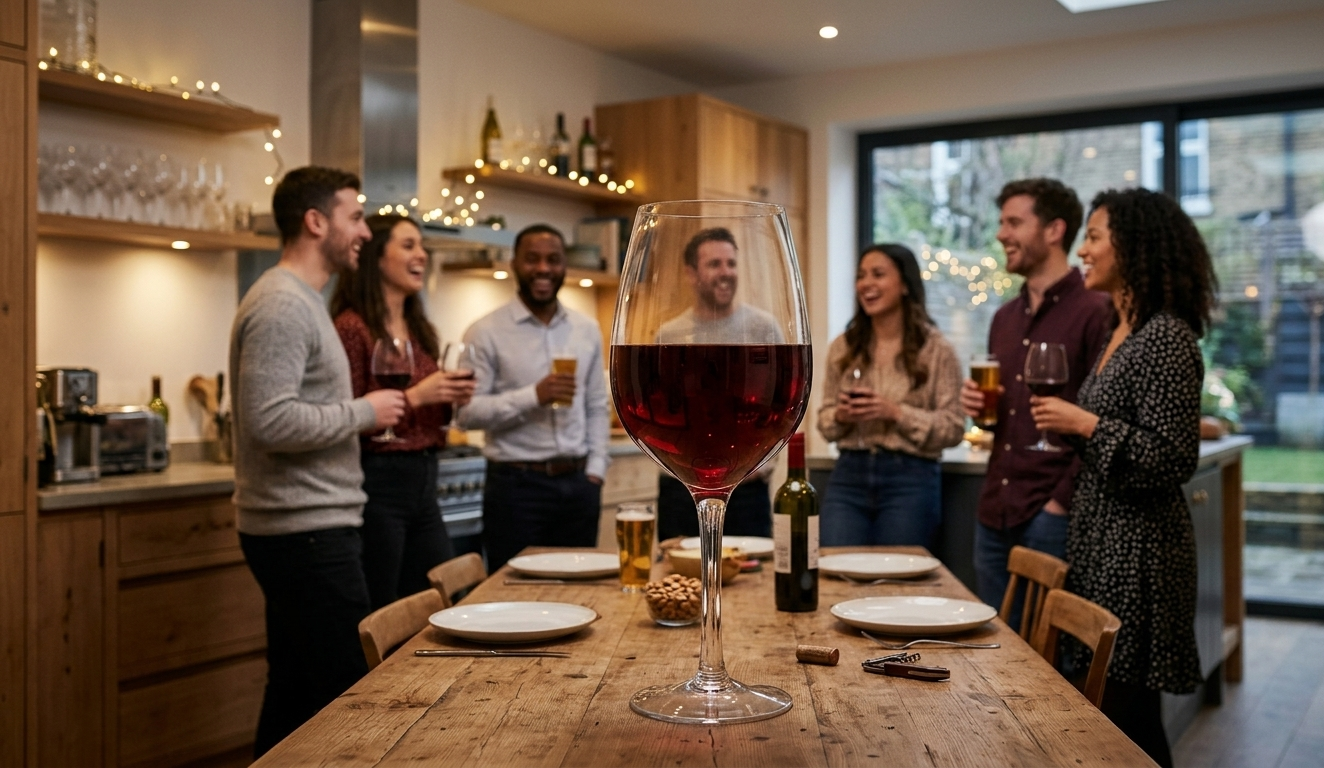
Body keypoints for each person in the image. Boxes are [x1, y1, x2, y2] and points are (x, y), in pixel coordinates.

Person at [1030, 188, 1216, 767]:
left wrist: (1085, 424)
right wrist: (1075, 427)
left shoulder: (1165, 336)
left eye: (1095, 236)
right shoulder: (1122, 329)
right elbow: (1121, 436)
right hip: (1104, 543)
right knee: (1108, 713)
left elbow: (1170, 458)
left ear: (1134, 247)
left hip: (1140, 555)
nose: (1083, 249)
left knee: (1128, 720)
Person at [229, 167, 406, 757]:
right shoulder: (282, 305)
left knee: (296, 691)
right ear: (315, 221)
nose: (364, 231)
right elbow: (269, 421)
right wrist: (365, 411)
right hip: (304, 533)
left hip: (308, 526)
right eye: (355, 217)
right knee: (348, 697)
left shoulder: (302, 302)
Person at [959, 179, 1113, 617]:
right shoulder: (1004, 317)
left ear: (1054, 230)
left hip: (1052, 514)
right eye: (1001, 223)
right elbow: (1001, 423)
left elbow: (1101, 418)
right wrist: (981, 410)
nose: (1001, 234)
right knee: (995, 652)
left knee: (1049, 665)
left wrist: (1058, 503)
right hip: (995, 510)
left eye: (1014, 222)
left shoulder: (1096, 309)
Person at [331, 214, 476, 610]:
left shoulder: (416, 327)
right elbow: (346, 415)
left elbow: (424, 403)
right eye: (408, 245)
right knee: (385, 607)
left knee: (441, 599)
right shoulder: (351, 327)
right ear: (378, 256)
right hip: (378, 484)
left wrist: (450, 396)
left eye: (422, 246)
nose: (422, 255)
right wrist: (416, 396)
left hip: (424, 479)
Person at [458, 224, 611, 570]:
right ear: (514, 264)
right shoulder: (485, 332)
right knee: (512, 595)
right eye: (532, 259)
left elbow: (596, 406)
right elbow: (466, 413)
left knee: (581, 589)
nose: (543, 268)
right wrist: (533, 396)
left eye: (553, 260)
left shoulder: (585, 330)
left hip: (578, 485)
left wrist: (596, 469)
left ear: (564, 267)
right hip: (516, 488)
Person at [816, 243, 964, 546]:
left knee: (900, 580)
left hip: (911, 478)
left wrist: (895, 412)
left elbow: (953, 428)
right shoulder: (843, 347)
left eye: (878, 274)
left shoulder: (937, 350)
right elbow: (824, 421)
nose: (866, 283)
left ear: (905, 285)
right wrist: (841, 416)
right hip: (849, 474)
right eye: (861, 275)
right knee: (836, 572)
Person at [655, 227, 780, 540]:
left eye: (731, 263)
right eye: (714, 264)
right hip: (680, 490)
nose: (726, 273)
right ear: (691, 273)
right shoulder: (669, 336)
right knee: (682, 582)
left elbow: (779, 406)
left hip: (747, 490)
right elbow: (659, 414)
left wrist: (759, 467)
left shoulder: (763, 329)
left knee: (753, 581)